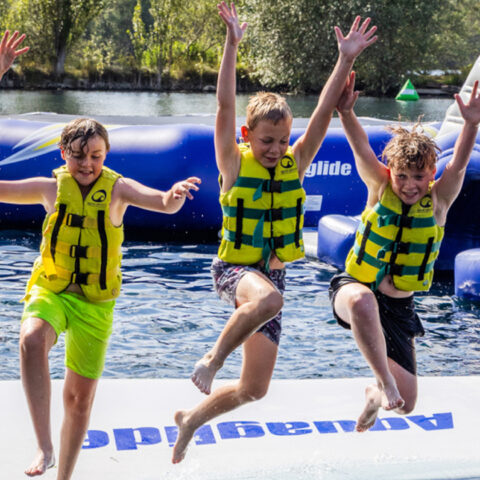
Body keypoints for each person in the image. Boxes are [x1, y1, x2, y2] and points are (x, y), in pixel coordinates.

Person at [172, 1, 377, 463]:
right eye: (267, 141)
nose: (276, 149)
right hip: (233, 269)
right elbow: (225, 104)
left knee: (255, 388)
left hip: (273, 277)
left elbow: (323, 113)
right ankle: (212, 358)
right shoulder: (232, 162)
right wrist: (231, 44)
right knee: (268, 300)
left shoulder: (293, 163)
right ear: (248, 135)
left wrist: (345, 59)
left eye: (283, 141)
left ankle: (191, 420)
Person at [0, 111, 200, 478]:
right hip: (51, 289)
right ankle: (45, 447)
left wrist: (175, 195)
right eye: (78, 156)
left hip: (95, 304)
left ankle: (64, 475)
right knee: (31, 339)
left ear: (105, 155)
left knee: (78, 400)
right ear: (63, 153)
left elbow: (162, 202)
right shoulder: (50, 189)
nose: (87, 164)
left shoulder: (118, 190)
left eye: (95, 156)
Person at [329, 71, 480, 432]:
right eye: (402, 176)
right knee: (363, 302)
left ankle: (375, 393)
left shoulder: (439, 201)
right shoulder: (380, 188)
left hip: (399, 307)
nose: (410, 186)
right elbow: (361, 149)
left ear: (431, 174)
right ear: (391, 172)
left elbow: (459, 164)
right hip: (353, 288)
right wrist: (346, 113)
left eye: (418, 177)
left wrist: (472, 124)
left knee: (406, 406)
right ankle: (386, 382)